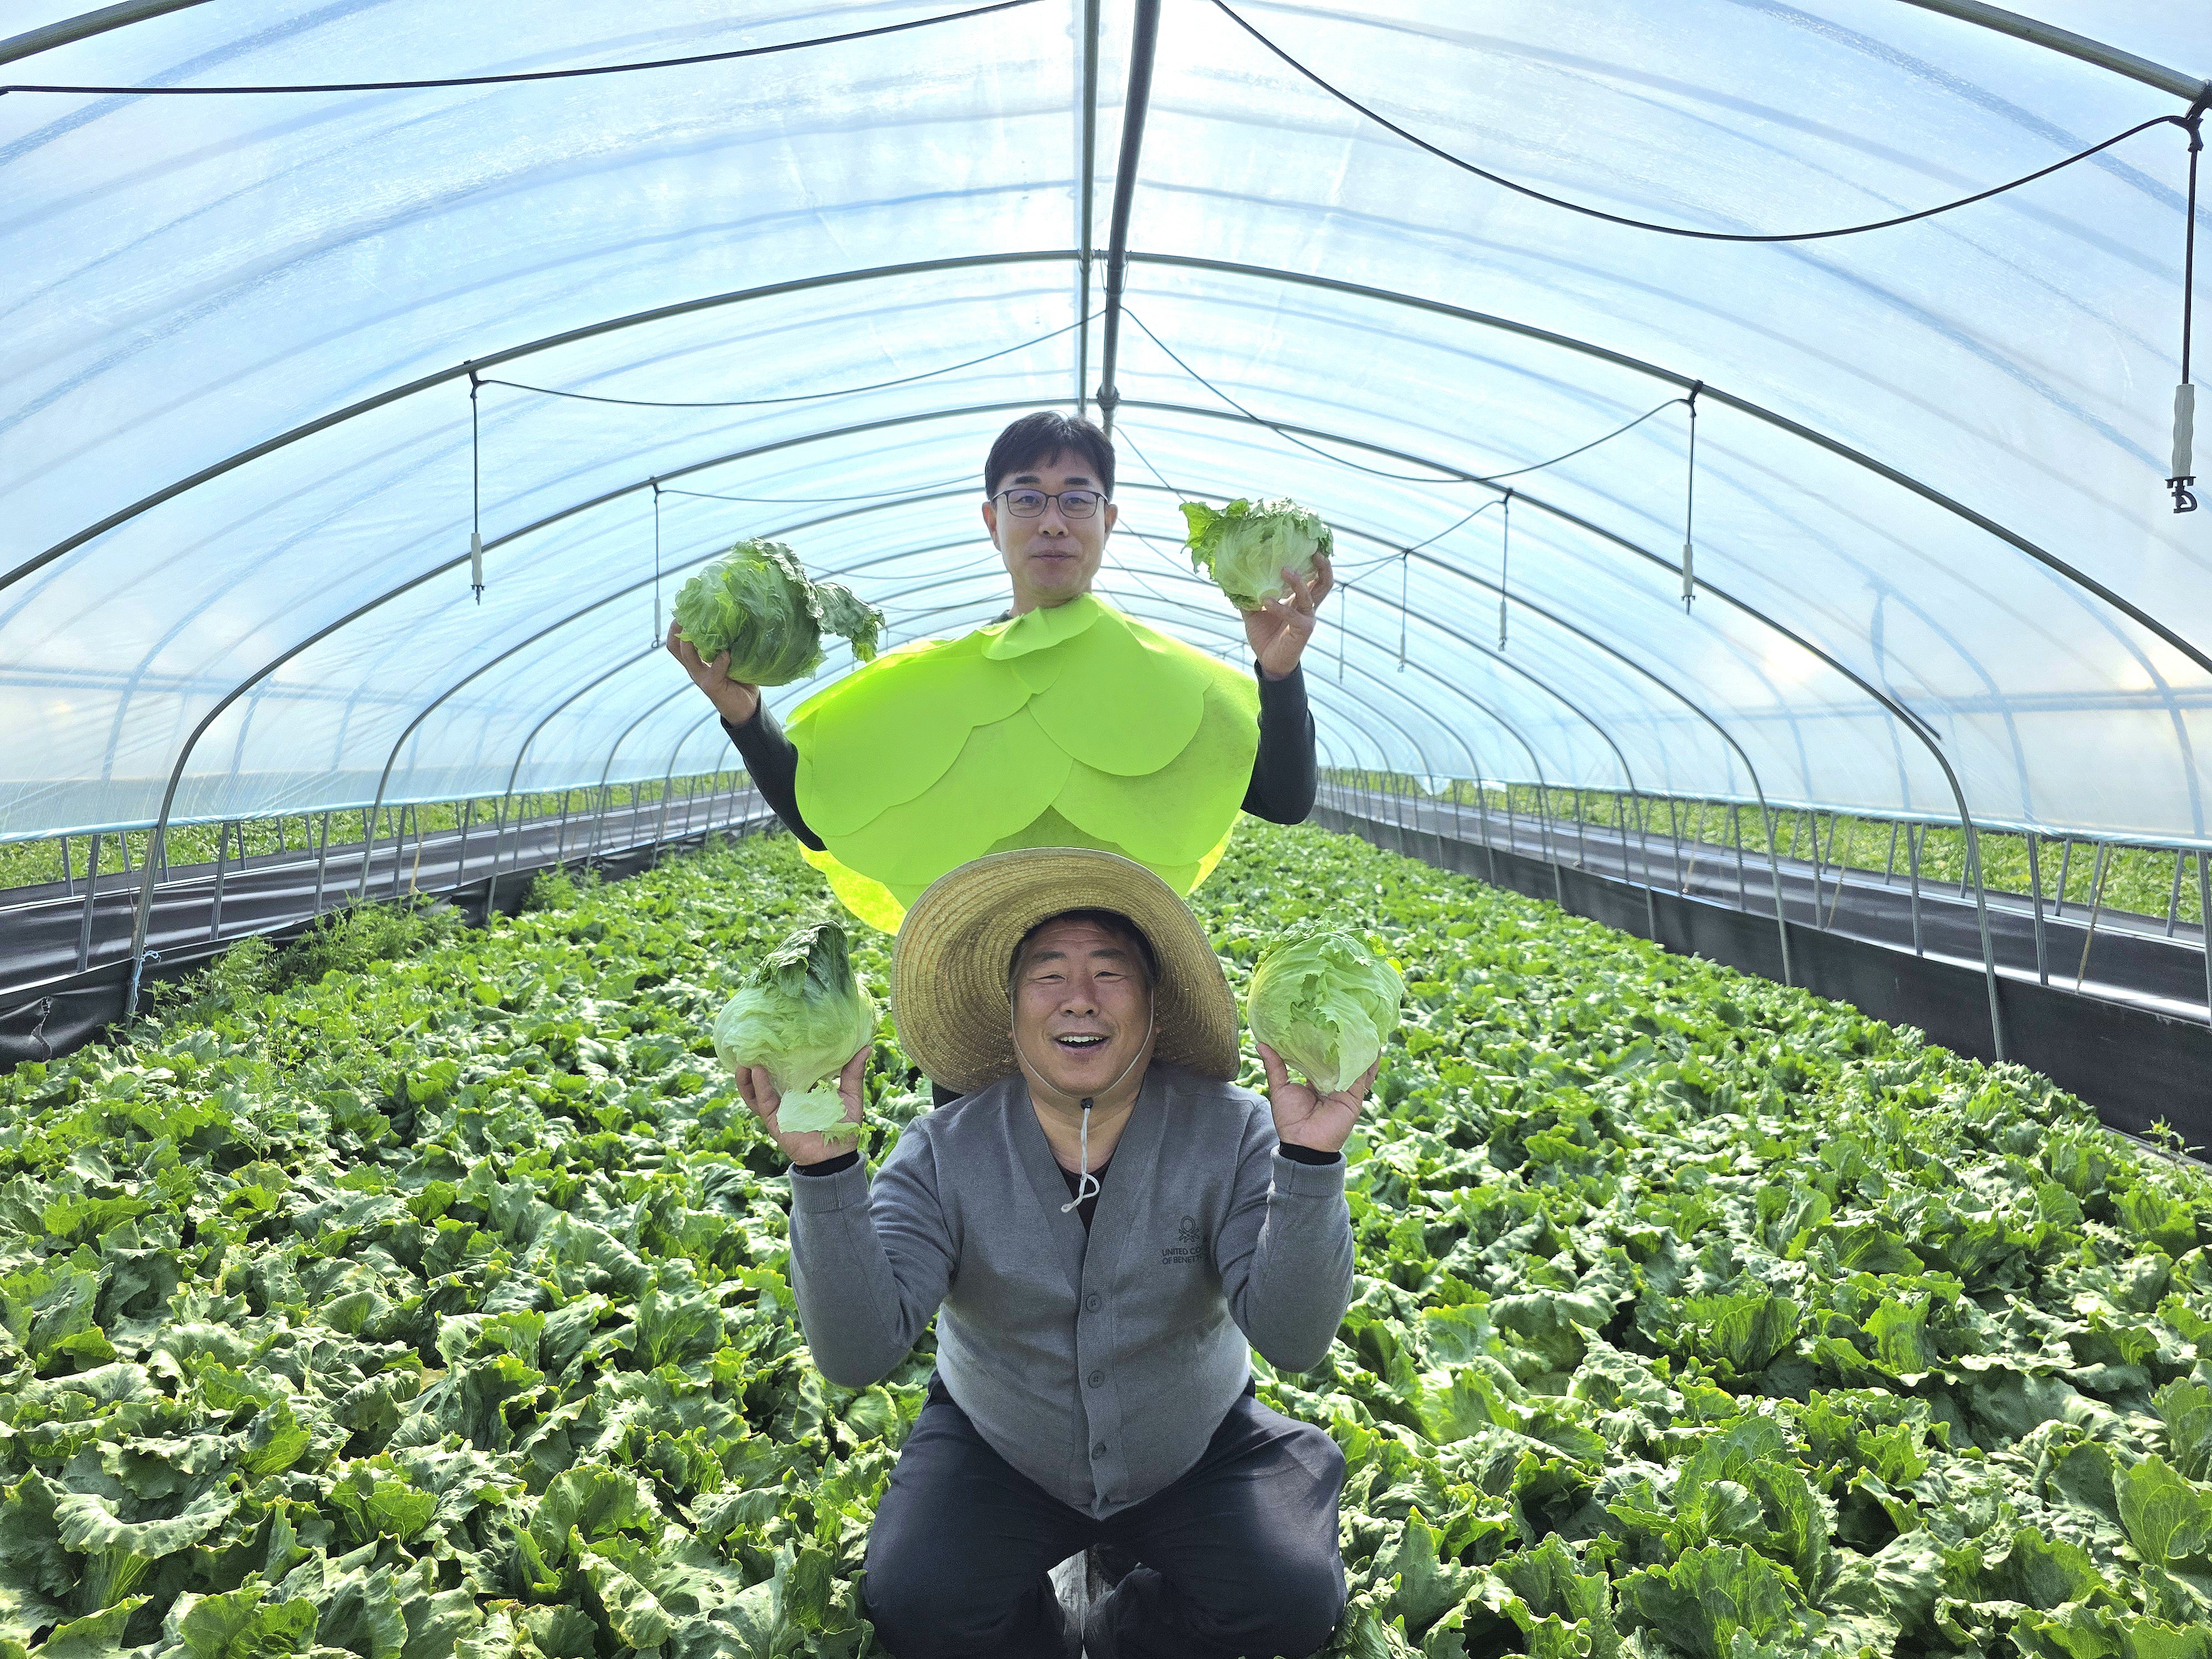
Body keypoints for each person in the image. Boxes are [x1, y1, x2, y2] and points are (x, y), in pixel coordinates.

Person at [727, 846, 1373, 1658]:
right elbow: (858, 1353)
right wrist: (824, 1173)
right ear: (1010, 1013)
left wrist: (1310, 1160)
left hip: (1191, 1443)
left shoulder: (1233, 1129)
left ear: (1154, 1008)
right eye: (1047, 976)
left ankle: (1123, 1627)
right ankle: (1045, 1636)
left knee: (1291, 1598)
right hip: (1001, 1444)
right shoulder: (943, 1149)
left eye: (1111, 974)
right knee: (915, 1599)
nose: (1079, 1000)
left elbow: (1296, 1338)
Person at [665, 412, 1333, 928]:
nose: (1052, 522)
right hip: (974, 988)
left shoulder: (1172, 676)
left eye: (1076, 500)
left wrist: (1278, 674)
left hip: (1126, 990)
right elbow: (824, 814)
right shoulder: (929, 682)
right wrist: (744, 713)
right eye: (1026, 499)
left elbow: (1283, 801)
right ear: (991, 519)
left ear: (1109, 521)